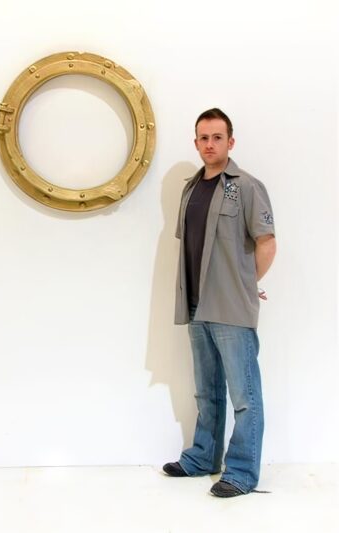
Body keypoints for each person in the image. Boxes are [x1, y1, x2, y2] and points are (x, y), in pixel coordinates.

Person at [163, 108, 276, 497]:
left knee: (244, 395)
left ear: (231, 142)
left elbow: (267, 242)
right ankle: (202, 458)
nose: (209, 144)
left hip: (230, 308)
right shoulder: (191, 188)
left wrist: (246, 283)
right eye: (203, 138)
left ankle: (241, 472)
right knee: (206, 390)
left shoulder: (246, 186)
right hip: (196, 305)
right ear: (196, 143)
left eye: (217, 137)